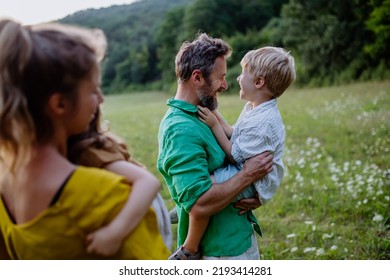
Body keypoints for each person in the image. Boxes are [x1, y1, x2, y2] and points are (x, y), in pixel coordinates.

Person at [0, 19, 169, 259]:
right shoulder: (106, 199)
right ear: (59, 104)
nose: (100, 100)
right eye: (92, 90)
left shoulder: (5, 188)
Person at [157, 33, 274, 260]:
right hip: (218, 252)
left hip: (238, 235)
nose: (225, 84)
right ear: (197, 78)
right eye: (220, 77)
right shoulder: (180, 130)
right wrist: (248, 175)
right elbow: (200, 204)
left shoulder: (204, 111)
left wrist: (258, 191)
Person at [188, 46, 296, 258]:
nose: (237, 78)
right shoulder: (255, 107)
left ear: (258, 82)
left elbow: (235, 155)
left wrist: (213, 125)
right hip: (246, 170)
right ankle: (187, 209)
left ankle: (188, 217)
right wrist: (214, 112)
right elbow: (234, 132)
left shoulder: (263, 121)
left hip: (252, 180)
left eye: (243, 73)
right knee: (205, 188)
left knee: (204, 189)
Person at [67, 107, 172, 255]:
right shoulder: (97, 144)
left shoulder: (89, 153)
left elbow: (148, 182)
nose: (100, 98)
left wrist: (113, 233)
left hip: (143, 220)